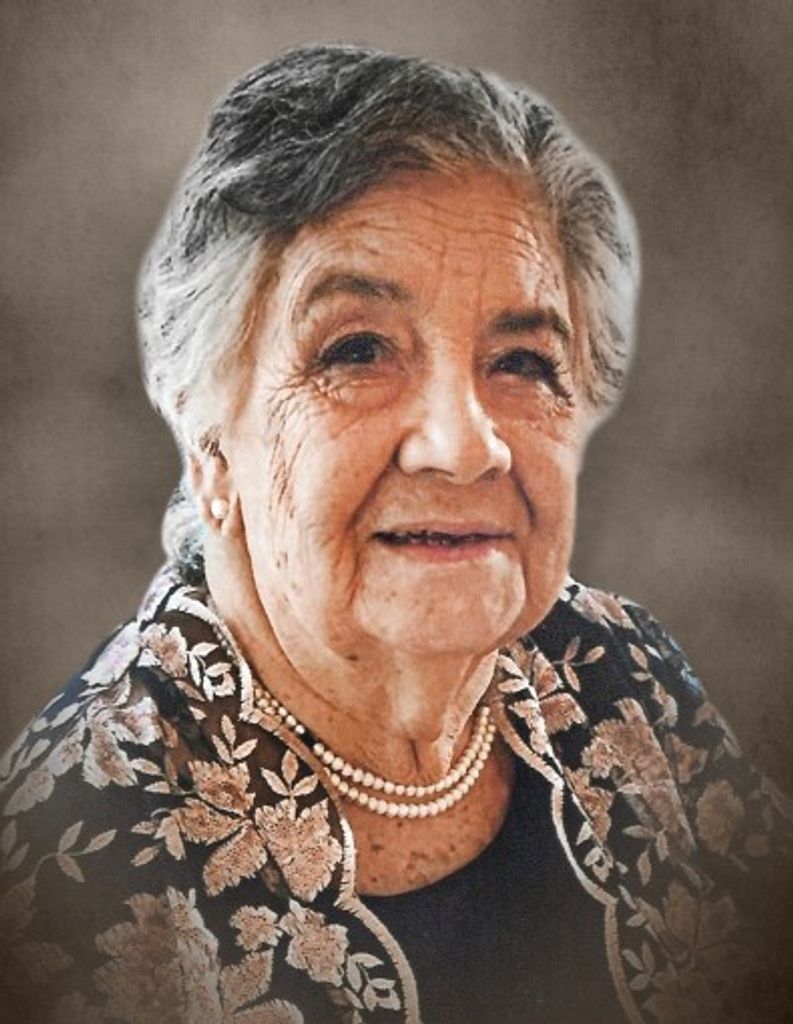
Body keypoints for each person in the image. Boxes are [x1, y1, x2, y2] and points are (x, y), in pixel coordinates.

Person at [0, 44, 790, 1024]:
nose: (464, 447)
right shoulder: (70, 858)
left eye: (523, 360)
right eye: (358, 350)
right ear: (211, 448)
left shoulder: (621, 681)